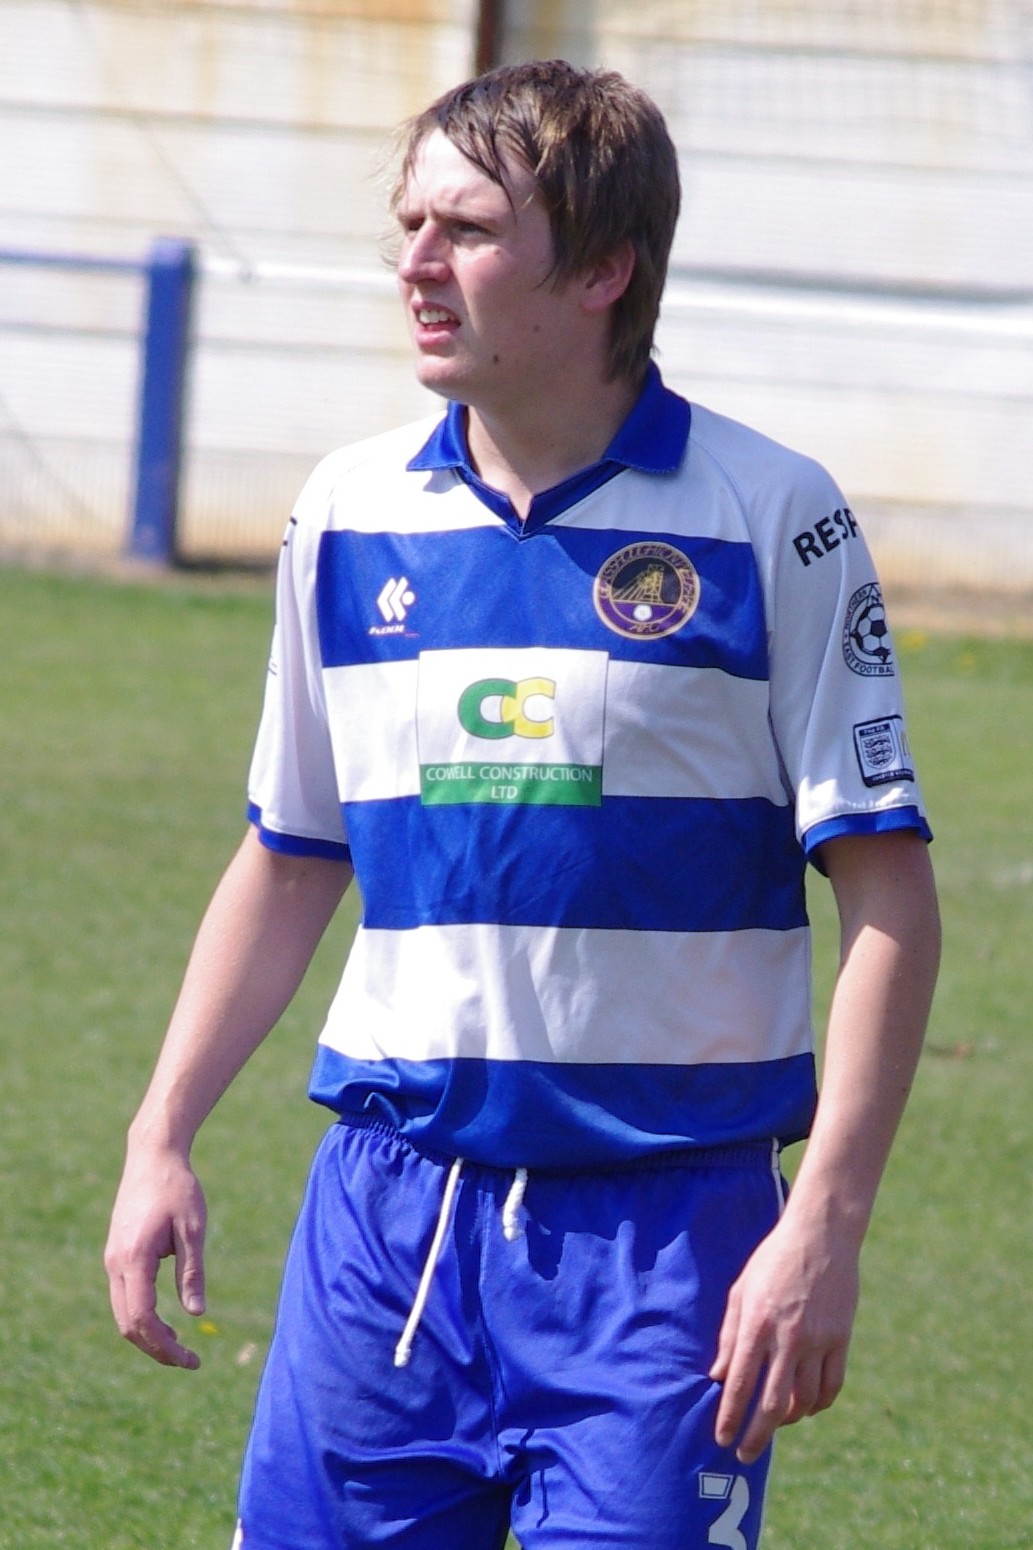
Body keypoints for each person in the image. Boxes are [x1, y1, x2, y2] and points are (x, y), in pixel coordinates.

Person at [104, 58, 941, 1550]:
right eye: (409, 224)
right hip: (385, 1223)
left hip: (665, 1243)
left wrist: (821, 1220)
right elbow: (291, 856)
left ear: (605, 270)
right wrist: (159, 1134)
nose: (416, 264)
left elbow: (887, 899)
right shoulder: (345, 514)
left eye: (469, 230)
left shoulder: (772, 515)